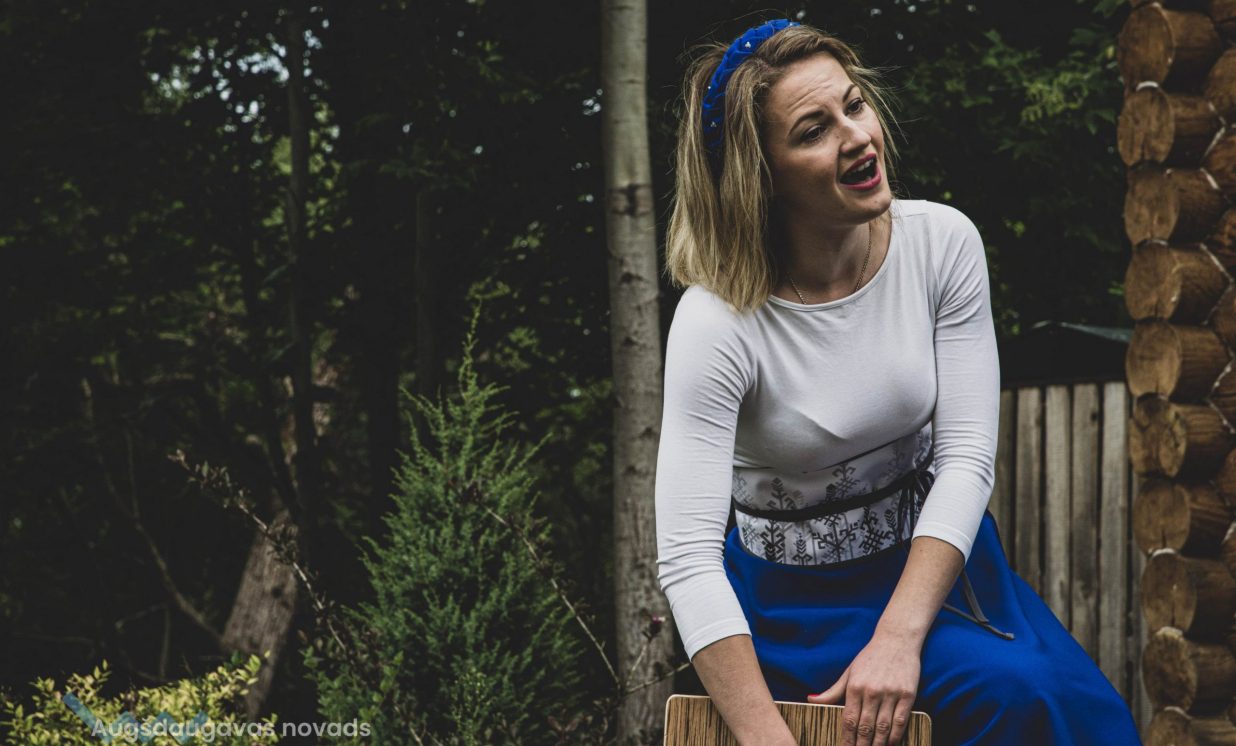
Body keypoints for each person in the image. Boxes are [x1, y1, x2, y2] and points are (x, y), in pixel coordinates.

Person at [654, 18, 1142, 746]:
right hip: (793, 610)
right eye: (814, 130)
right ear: (762, 177)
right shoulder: (716, 322)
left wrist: (898, 638)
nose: (857, 136)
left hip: (938, 582)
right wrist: (764, 737)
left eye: (855, 105)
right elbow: (688, 558)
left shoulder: (942, 245)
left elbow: (967, 456)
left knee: (1054, 706)